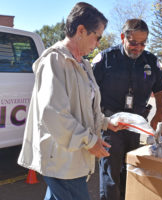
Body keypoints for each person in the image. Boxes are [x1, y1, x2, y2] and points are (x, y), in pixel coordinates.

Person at [17, 3, 126, 200]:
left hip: (73, 156)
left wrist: (105, 122)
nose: (98, 43)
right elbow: (54, 113)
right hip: (62, 159)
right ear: (81, 30)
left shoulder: (83, 64)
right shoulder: (54, 60)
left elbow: (84, 107)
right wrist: (91, 141)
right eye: (98, 36)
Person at [92, 19, 162, 200]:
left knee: (131, 170)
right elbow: (89, 92)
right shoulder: (106, 59)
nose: (138, 48)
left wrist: (159, 114)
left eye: (142, 43)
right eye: (133, 43)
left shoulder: (150, 61)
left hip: (136, 126)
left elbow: (160, 91)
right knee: (110, 174)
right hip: (111, 126)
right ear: (123, 37)